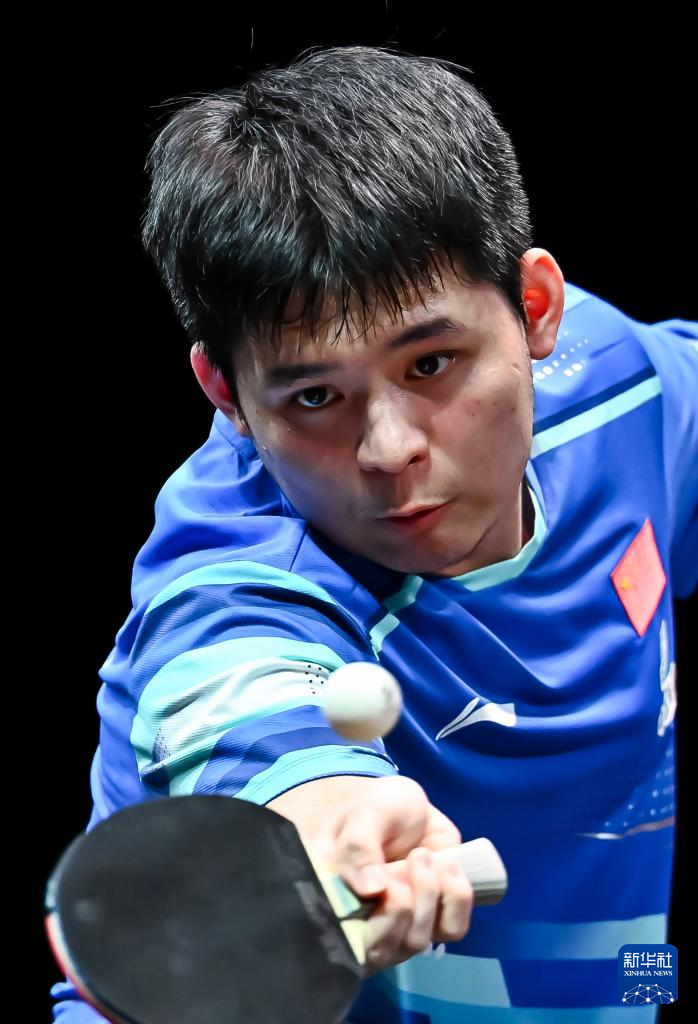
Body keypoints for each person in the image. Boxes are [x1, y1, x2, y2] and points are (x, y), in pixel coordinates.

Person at [51, 46, 696, 1022]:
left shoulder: (622, 395)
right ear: (223, 391)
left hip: (605, 991)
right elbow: (247, 708)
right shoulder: (236, 585)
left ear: (534, 310)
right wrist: (334, 820)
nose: (388, 449)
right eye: (315, 396)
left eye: (430, 364)